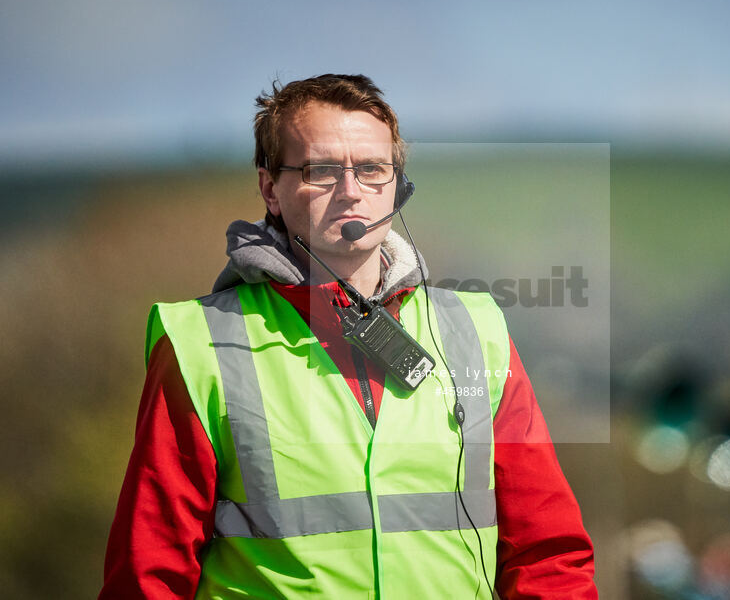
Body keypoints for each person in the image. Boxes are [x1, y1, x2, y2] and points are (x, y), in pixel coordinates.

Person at [100, 74, 597, 599]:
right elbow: (148, 572)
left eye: (372, 169)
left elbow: (547, 551)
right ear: (271, 188)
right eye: (321, 170)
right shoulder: (198, 343)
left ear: (397, 186)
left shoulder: (478, 330)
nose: (352, 191)